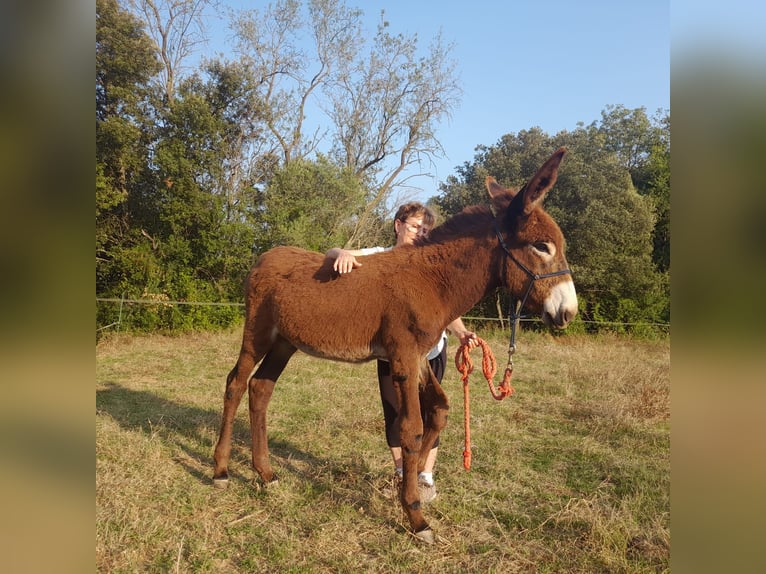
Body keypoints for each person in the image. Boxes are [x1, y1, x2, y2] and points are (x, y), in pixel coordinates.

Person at [326, 202, 478, 503]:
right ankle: (401, 474)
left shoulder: (433, 265)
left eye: (426, 230)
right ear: (398, 226)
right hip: (392, 353)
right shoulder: (379, 257)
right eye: (414, 227)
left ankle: (425, 477)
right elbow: (331, 252)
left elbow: (445, 310)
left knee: (429, 412)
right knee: (396, 414)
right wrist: (342, 253)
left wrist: (460, 332)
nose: (420, 234)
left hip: (430, 352)